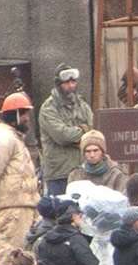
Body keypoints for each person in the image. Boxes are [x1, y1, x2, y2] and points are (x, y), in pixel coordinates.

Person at [0, 90, 42, 265]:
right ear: (14, 115)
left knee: (23, 257)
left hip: (22, 207)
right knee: (10, 257)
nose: (26, 118)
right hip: (13, 209)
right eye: (23, 113)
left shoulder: (12, 138)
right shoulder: (4, 139)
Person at [37, 64, 95, 197]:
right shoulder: (48, 108)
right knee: (61, 213)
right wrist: (83, 131)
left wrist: (82, 132)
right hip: (60, 174)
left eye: (73, 81)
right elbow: (62, 136)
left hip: (83, 170)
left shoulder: (81, 104)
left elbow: (93, 129)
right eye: (66, 82)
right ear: (58, 84)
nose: (71, 85)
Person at [67, 129, 131, 195]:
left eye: (95, 150)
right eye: (88, 151)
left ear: (102, 151)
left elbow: (122, 200)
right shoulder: (75, 175)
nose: (92, 155)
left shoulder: (117, 174)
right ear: (83, 153)